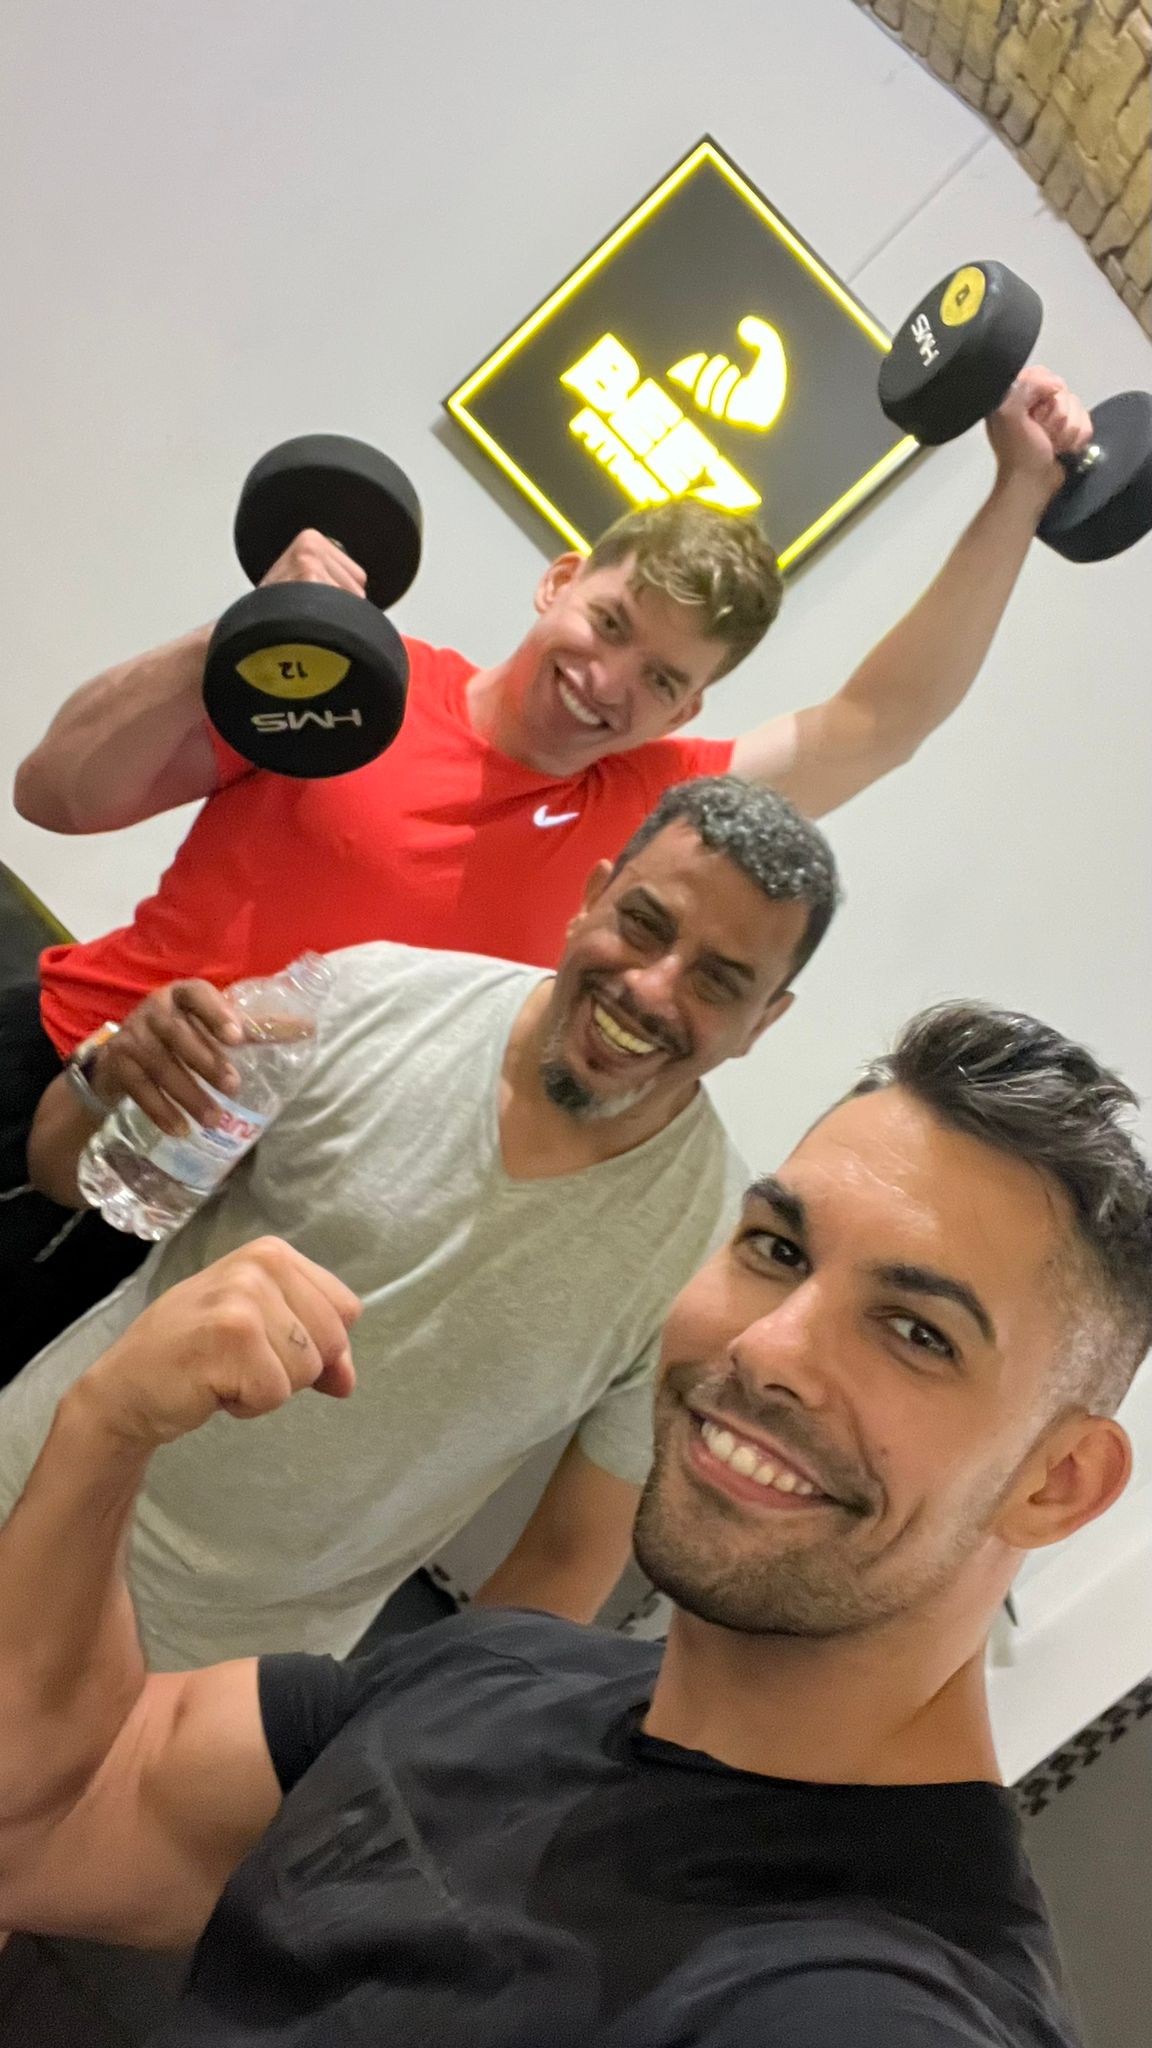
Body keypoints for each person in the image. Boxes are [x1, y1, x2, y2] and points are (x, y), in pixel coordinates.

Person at [1, 1000, 1148, 2047]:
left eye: (917, 1331)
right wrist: (105, 1431)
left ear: (1056, 1481)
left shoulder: (872, 2003)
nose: (767, 1347)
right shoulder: (495, 1674)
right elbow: (44, 1816)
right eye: (777, 1250)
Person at [1, 369, 1091, 1361]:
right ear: (560, 582)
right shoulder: (360, 678)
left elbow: (880, 722)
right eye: (609, 623)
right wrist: (242, 630)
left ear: (689, 710)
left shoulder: (647, 814)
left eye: (660, 679)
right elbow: (57, 794)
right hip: (56, 1067)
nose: (609, 682)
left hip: (209, 1210)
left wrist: (1021, 488)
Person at [0, 778, 837, 1662]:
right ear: (591, 899)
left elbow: (564, 1563)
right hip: (27, 1483)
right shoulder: (368, 997)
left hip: (225, 1673)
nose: (652, 988)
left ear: (763, 1022)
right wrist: (112, 1074)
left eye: (719, 981)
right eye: (643, 924)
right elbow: (62, 1173)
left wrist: (415, 1725)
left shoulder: (709, 1259)